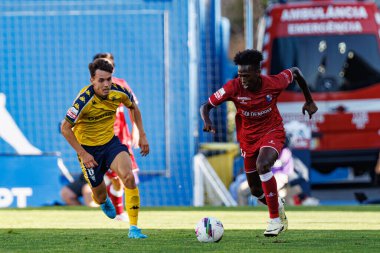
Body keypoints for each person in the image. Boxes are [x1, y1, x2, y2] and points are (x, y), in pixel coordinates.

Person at [200, 49, 318, 237]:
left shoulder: (274, 83)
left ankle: (274, 220)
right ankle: (276, 204)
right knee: (255, 190)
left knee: (263, 165)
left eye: (246, 75)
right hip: (248, 139)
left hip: (272, 131)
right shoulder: (233, 87)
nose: (243, 80)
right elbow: (205, 106)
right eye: (240, 75)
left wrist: (309, 100)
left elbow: (295, 71)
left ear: (258, 71)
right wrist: (207, 120)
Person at [61, 58, 149, 239]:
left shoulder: (120, 92)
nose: (106, 84)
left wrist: (141, 134)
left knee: (128, 177)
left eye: (109, 79)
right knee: (99, 197)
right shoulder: (83, 100)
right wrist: (83, 154)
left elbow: (134, 108)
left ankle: (134, 228)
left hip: (111, 144)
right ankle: (103, 200)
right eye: (101, 80)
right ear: (92, 80)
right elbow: (65, 128)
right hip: (88, 151)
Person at [92, 53, 141, 222]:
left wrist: (136, 129)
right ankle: (116, 210)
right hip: (101, 140)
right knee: (113, 180)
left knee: (125, 177)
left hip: (121, 139)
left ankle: (121, 214)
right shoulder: (93, 89)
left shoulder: (121, 85)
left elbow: (133, 106)